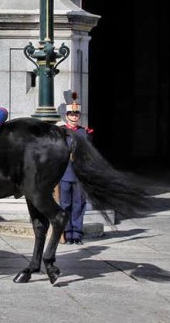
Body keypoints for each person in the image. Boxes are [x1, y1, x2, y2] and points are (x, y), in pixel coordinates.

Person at [59, 92, 93, 244]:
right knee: (65, 204)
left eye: (76, 114)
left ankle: (77, 233)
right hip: (65, 173)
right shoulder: (61, 132)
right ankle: (66, 232)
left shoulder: (85, 132)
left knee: (79, 204)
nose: (74, 117)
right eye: (71, 114)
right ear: (66, 116)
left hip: (79, 174)